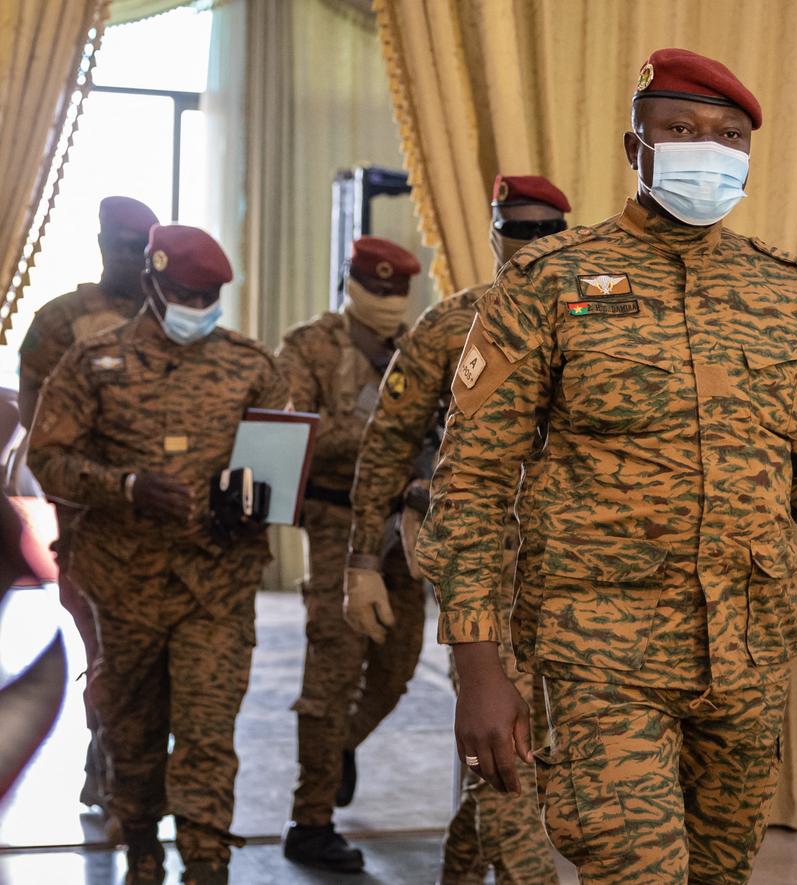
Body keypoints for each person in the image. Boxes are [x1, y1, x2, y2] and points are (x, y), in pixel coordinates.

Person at [415, 47, 797, 885]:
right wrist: (478, 665)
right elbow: (470, 485)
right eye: (680, 129)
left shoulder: (789, 297)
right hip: (597, 657)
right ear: (635, 148)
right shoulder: (550, 284)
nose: (706, 149)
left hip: (747, 661)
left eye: (728, 136)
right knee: (636, 872)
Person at [28, 224, 287, 885]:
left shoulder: (250, 363)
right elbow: (47, 458)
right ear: (152, 282)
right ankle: (140, 844)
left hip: (216, 587)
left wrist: (253, 498)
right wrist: (127, 488)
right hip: (126, 586)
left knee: (206, 734)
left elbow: (279, 466)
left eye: (209, 296)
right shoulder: (94, 362)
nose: (197, 307)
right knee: (132, 733)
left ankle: (207, 862)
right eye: (184, 293)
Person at [346, 173, 569, 884]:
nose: (530, 243)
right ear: (494, 231)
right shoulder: (448, 325)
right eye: (517, 228)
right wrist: (362, 560)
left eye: (545, 230)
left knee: (536, 745)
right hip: (479, 562)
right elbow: (386, 443)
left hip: (578, 567)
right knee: (502, 740)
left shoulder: (602, 323)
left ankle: (459, 873)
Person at [277, 236, 425, 873]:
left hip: (407, 526)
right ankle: (309, 823)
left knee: (398, 665)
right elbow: (293, 432)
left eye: (399, 292)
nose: (389, 302)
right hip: (338, 522)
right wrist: (385, 433)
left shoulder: (419, 346)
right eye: (378, 288)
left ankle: (336, 749)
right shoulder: (309, 346)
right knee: (333, 672)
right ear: (353, 282)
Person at [16, 195, 159, 809]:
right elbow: (36, 423)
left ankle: (133, 763)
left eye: (143, 247)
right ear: (102, 244)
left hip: (159, 519)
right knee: (107, 649)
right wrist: (71, 503)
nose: (133, 258)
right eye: (123, 245)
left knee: (154, 658)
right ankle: (105, 759)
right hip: (89, 522)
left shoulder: (171, 313)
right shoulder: (61, 320)